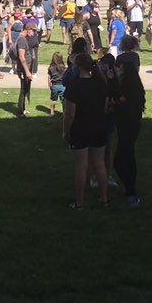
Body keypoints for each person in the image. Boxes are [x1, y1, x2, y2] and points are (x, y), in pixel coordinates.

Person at [61, 51, 111, 209]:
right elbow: (105, 106)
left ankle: (79, 202)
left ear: (77, 66)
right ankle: (104, 199)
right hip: (98, 126)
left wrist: (65, 131)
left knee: (81, 165)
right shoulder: (100, 83)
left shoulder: (74, 86)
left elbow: (69, 114)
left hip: (80, 128)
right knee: (99, 164)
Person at [111, 42, 146, 208]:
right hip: (133, 126)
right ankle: (130, 188)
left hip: (127, 126)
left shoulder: (127, 89)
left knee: (119, 160)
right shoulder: (135, 88)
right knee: (129, 157)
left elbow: (123, 106)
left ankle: (131, 191)